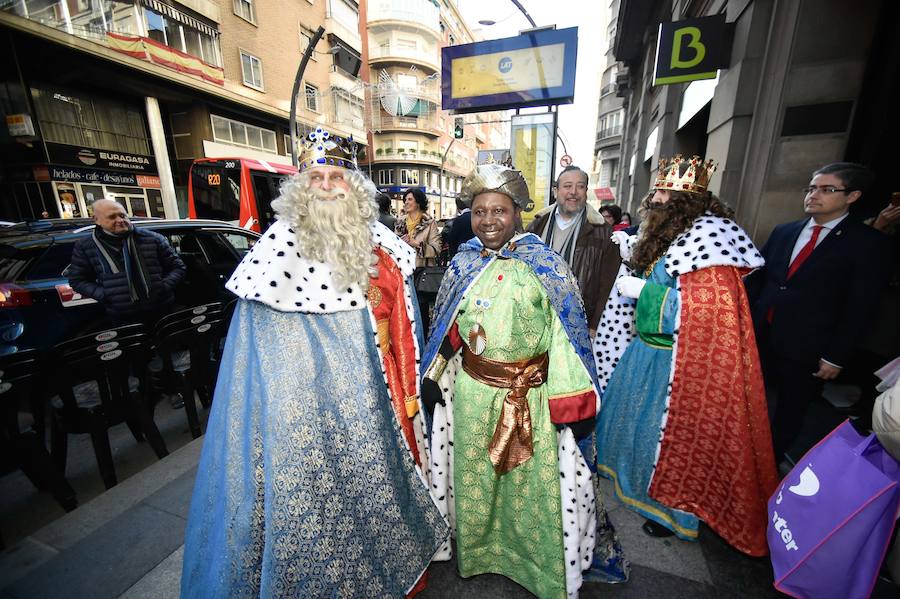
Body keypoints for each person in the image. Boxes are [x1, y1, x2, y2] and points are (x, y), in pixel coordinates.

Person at [180, 128, 449, 598]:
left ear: (355, 186)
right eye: (316, 176)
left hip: (376, 396)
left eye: (337, 176)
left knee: (375, 493)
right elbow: (256, 355)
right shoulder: (272, 255)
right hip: (300, 409)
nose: (327, 185)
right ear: (300, 188)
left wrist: (410, 393)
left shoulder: (383, 247)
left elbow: (407, 325)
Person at [421, 163, 629, 599]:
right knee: (478, 481)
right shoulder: (463, 262)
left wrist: (570, 401)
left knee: (527, 487)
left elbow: (563, 333)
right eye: (479, 212)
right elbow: (452, 327)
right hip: (475, 396)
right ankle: (479, 555)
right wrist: (434, 372)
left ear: (517, 213)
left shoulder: (545, 265)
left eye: (498, 210)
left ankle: (535, 564)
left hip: (529, 397)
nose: (489, 220)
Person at [594, 155, 777, 556]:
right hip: (644, 352)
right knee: (631, 426)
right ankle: (628, 485)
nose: (653, 198)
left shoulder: (709, 238)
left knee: (667, 438)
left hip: (678, 364)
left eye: (662, 193)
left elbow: (707, 310)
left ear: (682, 202)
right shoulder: (667, 234)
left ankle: (670, 512)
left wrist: (646, 293)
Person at [745, 162, 893, 464]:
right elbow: (759, 280)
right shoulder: (784, 231)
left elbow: (861, 305)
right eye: (812, 188)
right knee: (750, 401)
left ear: (852, 196)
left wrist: (836, 355)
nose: (814, 195)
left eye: (827, 190)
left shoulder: (868, 244)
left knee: (790, 408)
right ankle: (742, 452)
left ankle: (768, 463)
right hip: (761, 334)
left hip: (809, 347)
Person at [527, 166, 621, 334]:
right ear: (556, 191)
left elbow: (608, 285)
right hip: (536, 318)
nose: (574, 192)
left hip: (579, 323)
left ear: (586, 191)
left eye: (580, 186)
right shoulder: (537, 226)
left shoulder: (604, 233)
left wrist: (594, 326)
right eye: (567, 186)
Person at [68, 198, 185, 328]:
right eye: (112, 217)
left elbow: (177, 267)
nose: (120, 220)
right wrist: (106, 295)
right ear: (97, 220)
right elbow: (77, 280)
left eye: (122, 215)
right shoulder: (86, 246)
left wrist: (163, 287)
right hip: (123, 317)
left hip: (162, 309)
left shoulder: (152, 238)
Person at [396, 187, 440, 268]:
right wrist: (399, 243)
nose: (406, 202)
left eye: (410, 199)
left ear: (418, 202)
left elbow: (436, 250)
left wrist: (418, 245)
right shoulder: (400, 222)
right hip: (403, 270)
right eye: (405, 200)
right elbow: (393, 248)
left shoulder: (429, 222)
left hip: (422, 272)